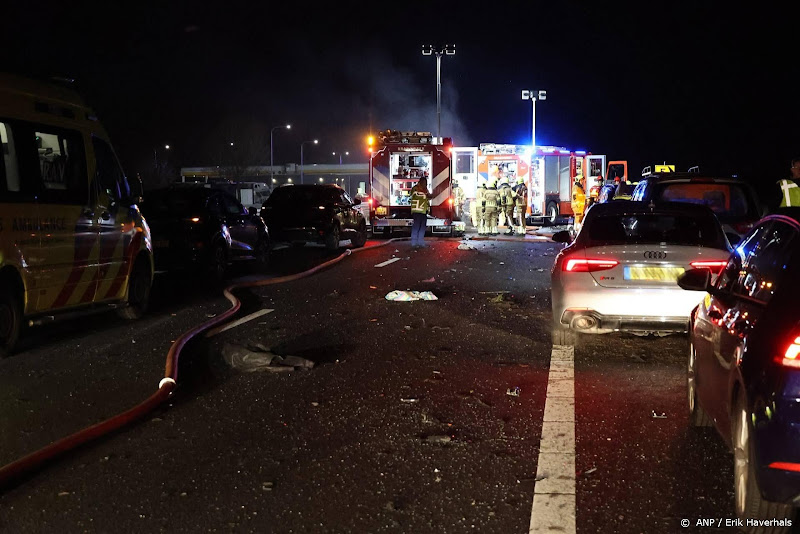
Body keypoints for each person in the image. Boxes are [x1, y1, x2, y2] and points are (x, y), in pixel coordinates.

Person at [409, 177, 432, 248]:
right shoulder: (416, 188)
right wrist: (428, 194)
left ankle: (420, 242)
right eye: (425, 183)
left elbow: (428, 197)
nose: (426, 184)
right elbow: (419, 195)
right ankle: (414, 243)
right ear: (421, 182)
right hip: (417, 211)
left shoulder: (424, 189)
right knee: (416, 226)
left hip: (423, 211)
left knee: (422, 227)